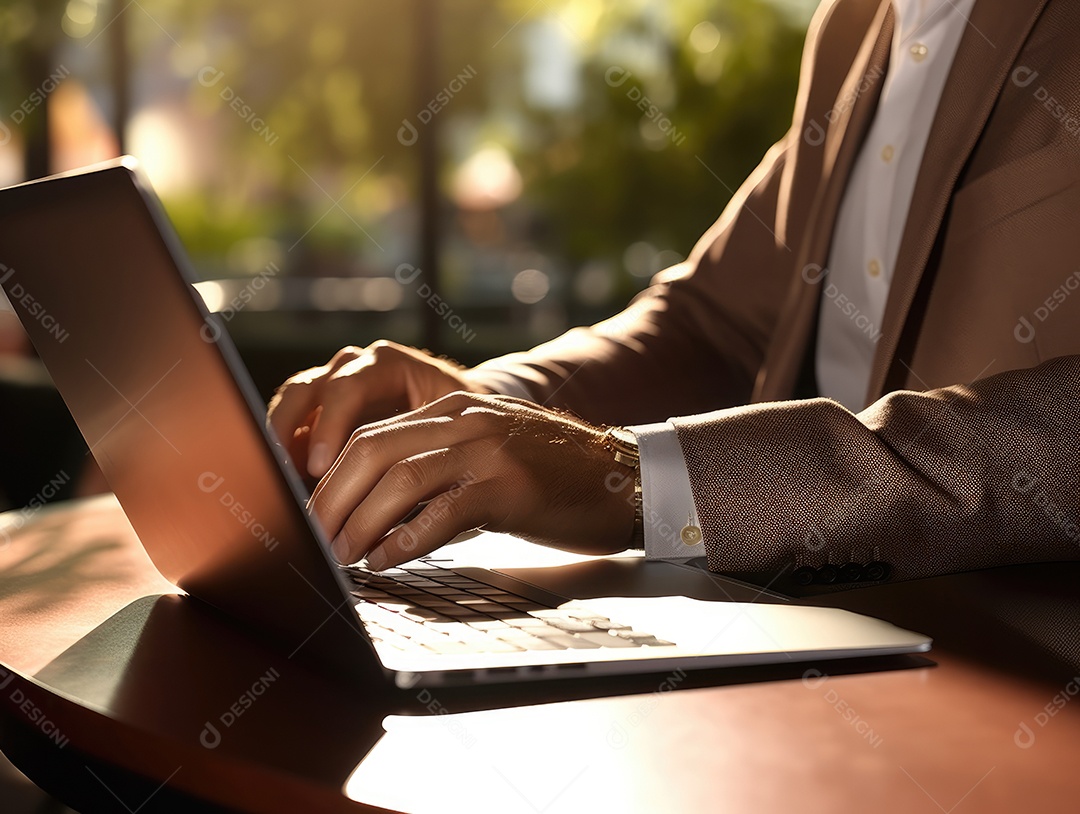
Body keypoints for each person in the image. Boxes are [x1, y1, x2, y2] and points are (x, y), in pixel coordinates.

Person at [268, 0, 1080, 594]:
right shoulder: (856, 28)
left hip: (1018, 676)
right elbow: (714, 323)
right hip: (806, 631)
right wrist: (478, 409)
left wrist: (637, 482)